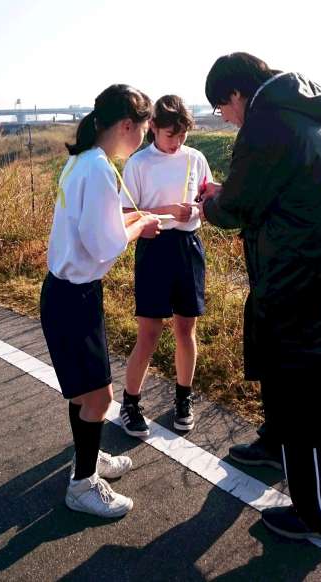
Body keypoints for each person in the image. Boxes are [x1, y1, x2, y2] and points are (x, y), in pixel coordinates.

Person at [199, 52, 321, 543]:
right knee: (290, 378)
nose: (225, 117)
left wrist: (210, 202)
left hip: (298, 281)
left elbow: (238, 205)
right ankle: (273, 443)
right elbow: (278, 190)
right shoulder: (312, 115)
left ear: (237, 93)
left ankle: (318, 515)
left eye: (222, 107)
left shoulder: (266, 124)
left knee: (301, 393)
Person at [40, 84, 161, 519]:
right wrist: (141, 226)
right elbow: (104, 244)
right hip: (75, 298)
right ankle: (83, 485)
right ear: (127, 125)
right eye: (144, 129)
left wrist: (133, 220)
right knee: (98, 398)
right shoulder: (98, 170)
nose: (145, 137)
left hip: (67, 293)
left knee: (85, 395)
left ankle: (86, 460)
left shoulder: (84, 160)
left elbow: (95, 228)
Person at [119, 95, 212, 436]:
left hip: (188, 247)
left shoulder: (196, 158)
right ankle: (130, 402)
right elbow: (126, 214)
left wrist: (196, 210)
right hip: (154, 247)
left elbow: (205, 202)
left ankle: (183, 398)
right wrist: (169, 210)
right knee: (149, 332)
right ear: (154, 128)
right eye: (171, 134)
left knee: (186, 329)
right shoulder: (139, 163)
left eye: (183, 134)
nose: (177, 141)